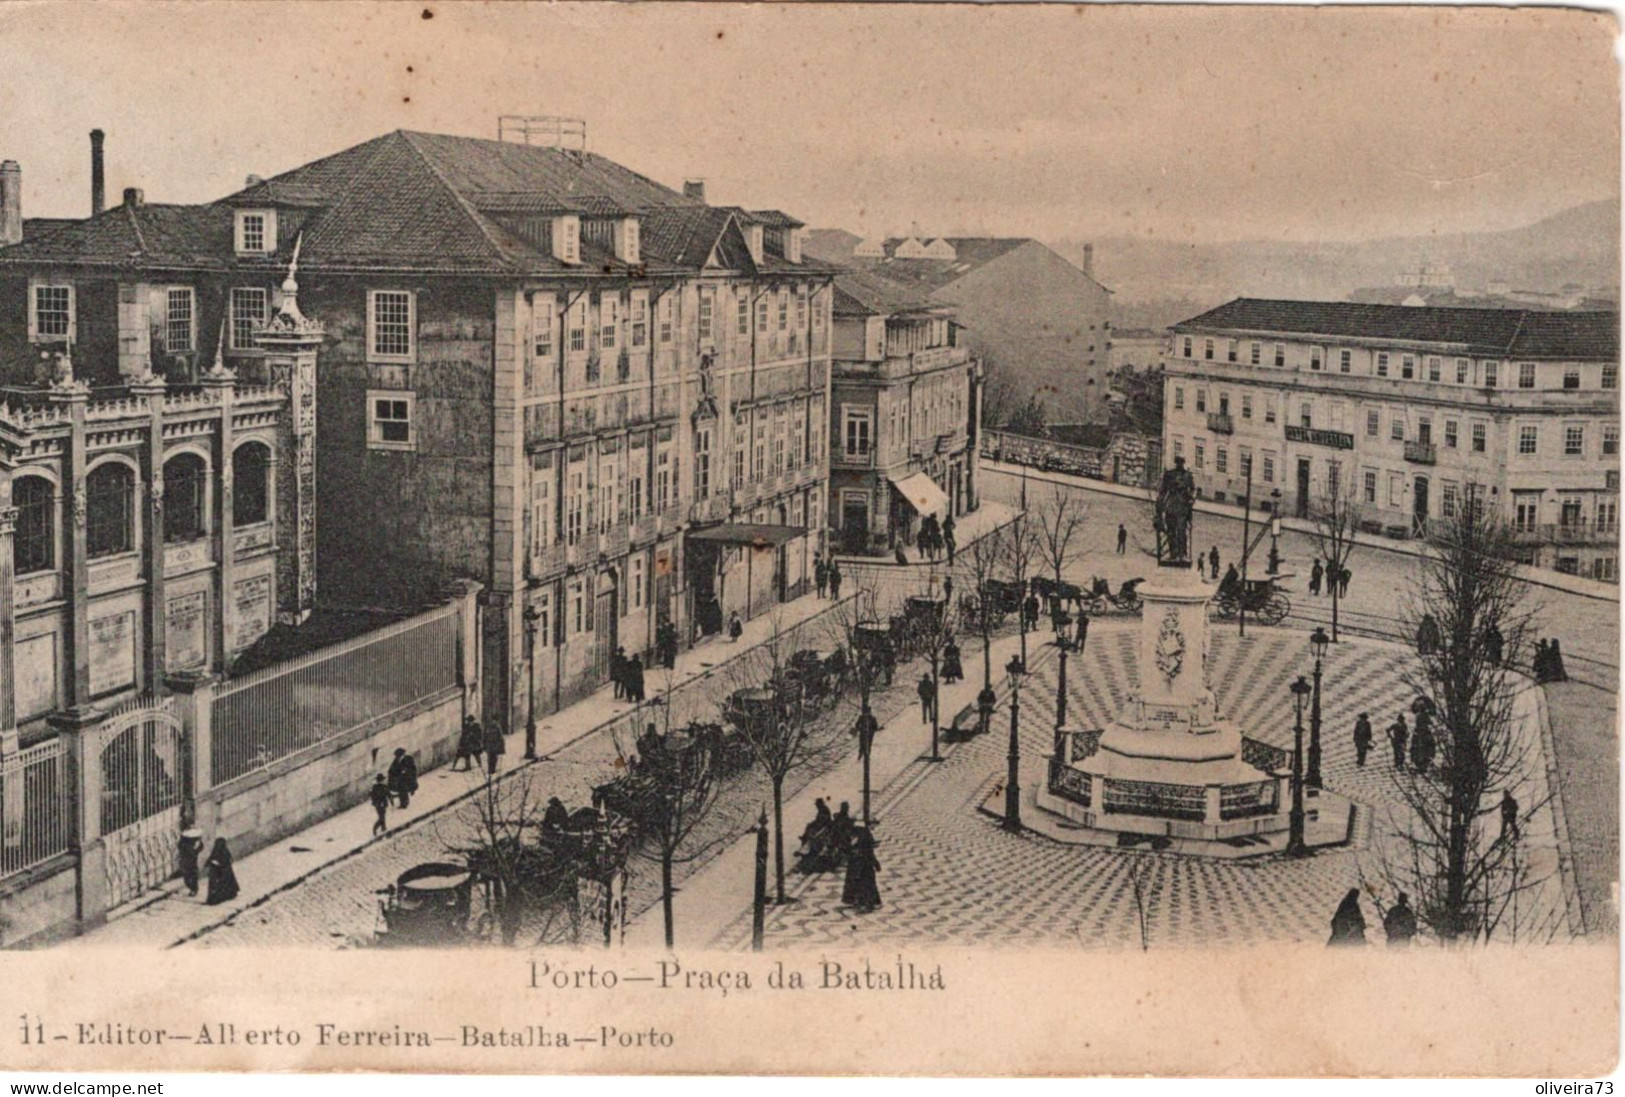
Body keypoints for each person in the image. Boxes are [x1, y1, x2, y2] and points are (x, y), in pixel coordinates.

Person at [842, 826, 882, 913]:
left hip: (863, 866)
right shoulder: (857, 837)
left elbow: (869, 853)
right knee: (861, 884)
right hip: (857, 865)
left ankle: (865, 902)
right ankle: (861, 901)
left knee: (864, 884)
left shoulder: (862, 839)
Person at [797, 798, 834, 872]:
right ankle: (805, 839)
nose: (817, 806)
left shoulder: (824, 810)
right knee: (809, 827)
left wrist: (816, 825)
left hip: (825, 827)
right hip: (820, 825)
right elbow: (818, 820)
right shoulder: (821, 810)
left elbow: (824, 821)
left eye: (817, 805)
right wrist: (812, 823)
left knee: (816, 835)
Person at [204, 838, 239, 906]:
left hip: (222, 873)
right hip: (216, 872)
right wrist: (210, 863)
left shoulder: (224, 851)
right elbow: (210, 859)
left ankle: (221, 897)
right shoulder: (217, 850)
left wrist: (218, 863)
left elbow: (225, 862)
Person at [827, 802, 856, 866]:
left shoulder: (842, 815)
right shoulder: (842, 816)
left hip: (837, 836)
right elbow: (842, 827)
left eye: (847, 808)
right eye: (846, 808)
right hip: (839, 837)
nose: (847, 809)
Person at [178, 828, 204, 898]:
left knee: (193, 876)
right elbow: (180, 846)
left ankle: (194, 889)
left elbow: (201, 847)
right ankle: (192, 888)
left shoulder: (196, 844)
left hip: (192, 864)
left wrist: (197, 847)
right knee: (186, 878)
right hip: (185, 863)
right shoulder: (184, 844)